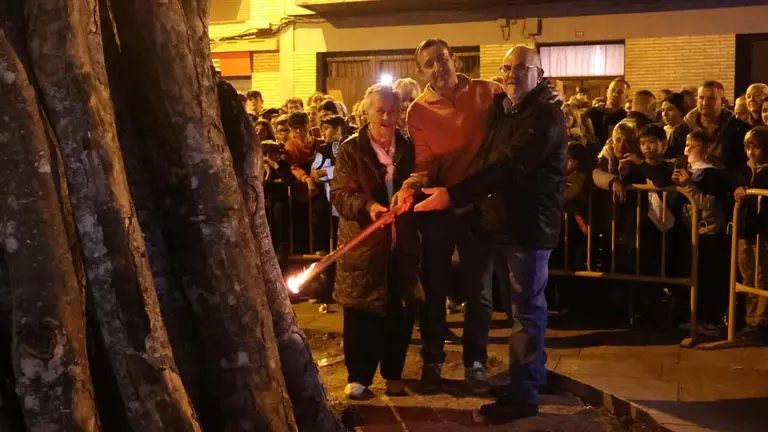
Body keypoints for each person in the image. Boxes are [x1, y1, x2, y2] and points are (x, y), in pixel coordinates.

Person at [414, 46, 565, 424]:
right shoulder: (506, 109)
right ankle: (529, 380)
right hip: (502, 222)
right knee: (521, 309)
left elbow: (509, 166)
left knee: (525, 312)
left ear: (539, 73)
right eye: (507, 67)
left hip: (526, 228)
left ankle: (524, 394)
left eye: (522, 68)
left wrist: (455, 194)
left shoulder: (540, 114)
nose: (512, 74)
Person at [396, 38, 504, 393]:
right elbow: (424, 164)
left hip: (478, 207)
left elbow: (524, 107)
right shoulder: (419, 112)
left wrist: (548, 96)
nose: (438, 68)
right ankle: (433, 359)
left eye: (442, 59)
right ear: (420, 71)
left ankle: (475, 364)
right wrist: (411, 184)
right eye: (429, 63)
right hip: (440, 209)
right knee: (434, 287)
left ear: (454, 58)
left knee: (480, 292)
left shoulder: (489, 92)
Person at [330, 84, 422, 399]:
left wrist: (412, 195)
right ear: (366, 112)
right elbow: (340, 194)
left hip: (402, 243)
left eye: (392, 110)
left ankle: (394, 372)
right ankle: (359, 376)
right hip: (364, 244)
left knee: (401, 306)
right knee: (361, 313)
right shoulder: (350, 149)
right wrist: (368, 206)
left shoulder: (409, 148)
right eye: (380, 110)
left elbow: (423, 182)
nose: (386, 116)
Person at [672, 130, 730, 336]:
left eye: (692, 146)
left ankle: (710, 320)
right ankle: (695, 317)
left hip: (709, 232)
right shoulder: (693, 171)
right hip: (694, 231)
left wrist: (688, 186)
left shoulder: (711, 174)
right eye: (686, 144)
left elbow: (708, 204)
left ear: (705, 151)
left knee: (709, 278)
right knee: (697, 275)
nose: (686, 149)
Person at [667, 81, 750, 179]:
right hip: (687, 187)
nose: (705, 102)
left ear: (722, 102)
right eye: (701, 98)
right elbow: (671, 158)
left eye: (711, 98)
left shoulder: (739, 130)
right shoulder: (682, 131)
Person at [733, 126, 768, 343]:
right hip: (745, 231)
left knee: (762, 275)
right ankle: (750, 318)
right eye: (747, 147)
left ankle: (760, 320)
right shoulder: (744, 170)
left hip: (763, 232)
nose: (751, 152)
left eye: (755, 147)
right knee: (747, 275)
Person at [584, 78, 630, 148]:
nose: (615, 94)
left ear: (626, 97)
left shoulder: (627, 119)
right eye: (613, 90)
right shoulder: (591, 113)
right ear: (607, 92)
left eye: (620, 92)